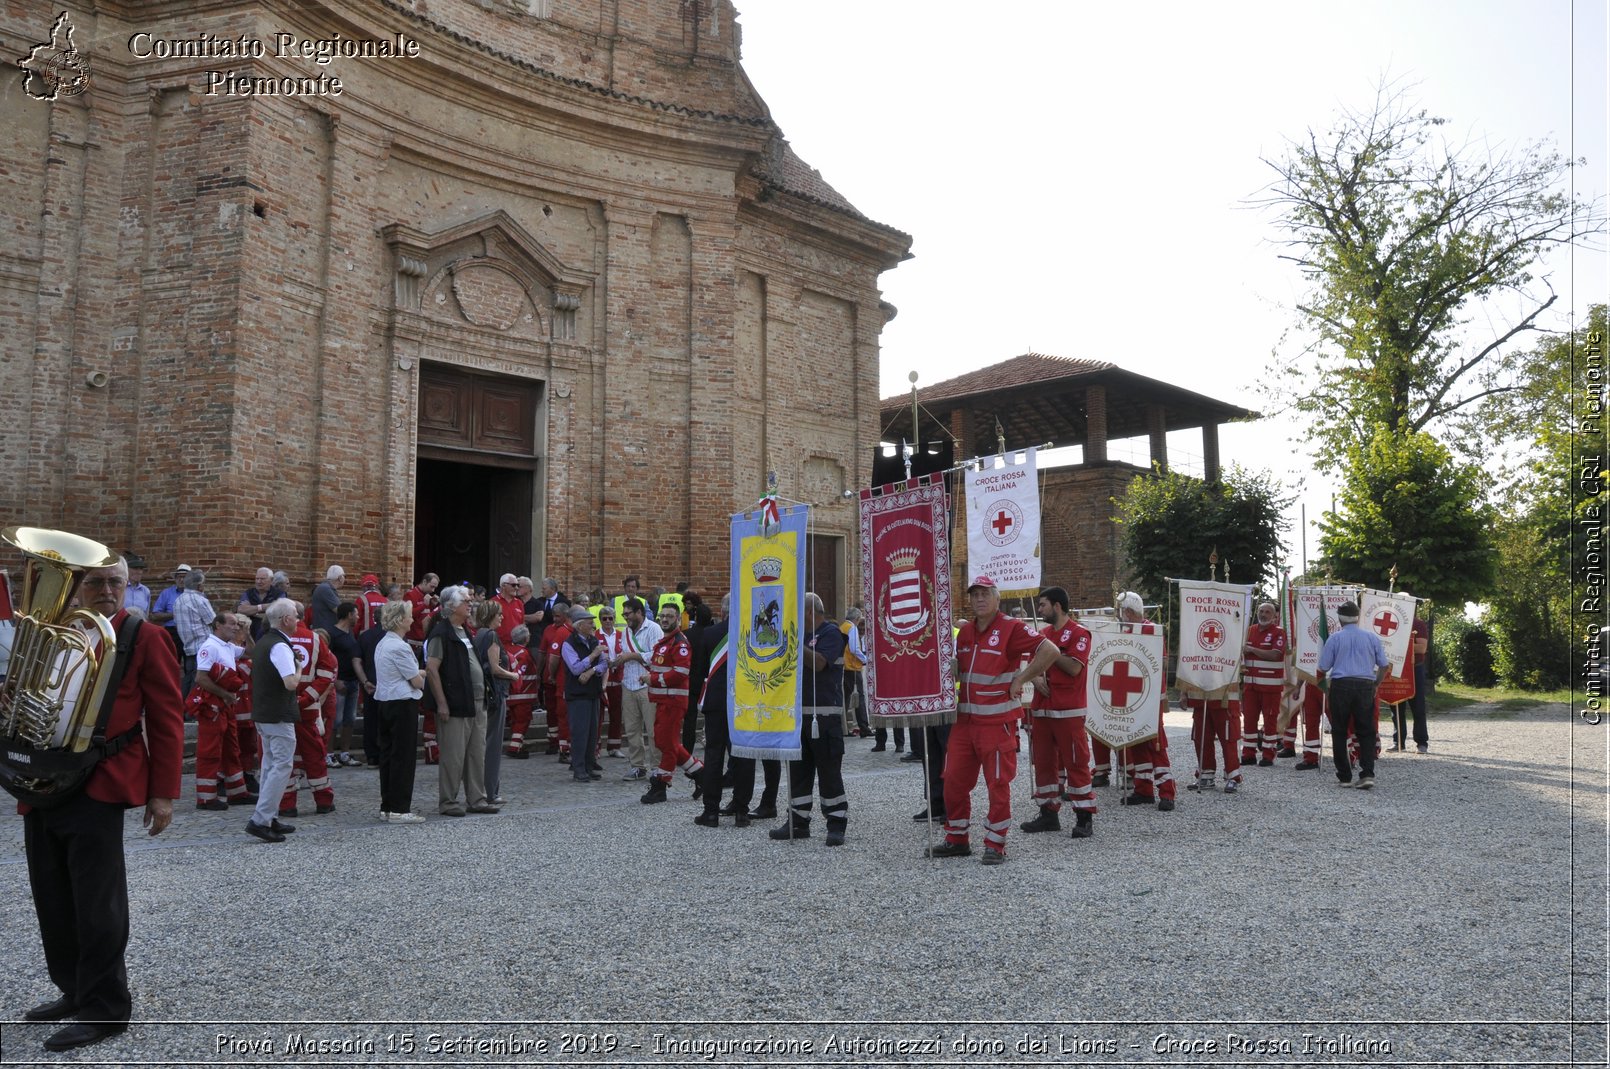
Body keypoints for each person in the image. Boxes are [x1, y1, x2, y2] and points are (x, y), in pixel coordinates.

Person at [19, 556, 183, 1053]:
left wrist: (163, 792)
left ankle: (106, 1007)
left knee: (97, 904)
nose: (107, 590)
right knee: (52, 894)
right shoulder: (54, 632)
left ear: (128, 585)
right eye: (95, 581)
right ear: (77, 586)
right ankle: (74, 989)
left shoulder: (144, 636)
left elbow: (168, 717)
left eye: (116, 581)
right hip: (45, 780)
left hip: (103, 780)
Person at [926, 577, 1059, 865]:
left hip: (997, 723)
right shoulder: (965, 632)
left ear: (997, 599)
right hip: (965, 722)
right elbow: (961, 672)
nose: (979, 600)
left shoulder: (1011, 627)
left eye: (985, 594)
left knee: (997, 784)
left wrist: (1023, 678)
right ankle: (957, 838)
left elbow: (1050, 650)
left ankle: (995, 844)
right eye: (975, 595)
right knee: (953, 782)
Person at [771, 593, 849, 845]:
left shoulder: (831, 633)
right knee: (798, 772)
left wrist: (792, 643)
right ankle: (798, 821)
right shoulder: (802, 635)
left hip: (824, 716)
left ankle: (836, 824)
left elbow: (818, 663)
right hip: (798, 716)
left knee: (829, 772)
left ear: (809, 612)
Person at [1020, 586, 1096, 838]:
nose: (1039, 609)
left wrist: (1050, 654)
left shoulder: (1079, 633)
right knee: (1043, 764)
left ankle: (1084, 816)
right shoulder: (1042, 634)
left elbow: (1075, 667)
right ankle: (1048, 814)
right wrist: (1034, 678)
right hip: (1042, 710)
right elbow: (1032, 664)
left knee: (1076, 762)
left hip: (1068, 710)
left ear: (1057, 606)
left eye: (1043, 605)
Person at [424, 586, 498, 816]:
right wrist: (442, 703)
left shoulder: (466, 631)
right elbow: (432, 669)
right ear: (452, 606)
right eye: (466, 601)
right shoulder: (441, 633)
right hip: (455, 703)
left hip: (476, 701)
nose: (471, 604)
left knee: (477, 752)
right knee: (453, 755)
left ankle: (477, 798)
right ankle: (448, 801)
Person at [1114, 591, 1179, 811]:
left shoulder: (1150, 630)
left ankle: (1167, 791)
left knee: (1155, 742)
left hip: (1149, 697)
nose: (1120, 616)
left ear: (1129, 612)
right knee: (1135, 740)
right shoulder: (1126, 630)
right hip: (1131, 695)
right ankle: (1143, 789)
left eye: (1121, 611)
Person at [247, 599, 303, 843]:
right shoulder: (279, 646)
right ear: (286, 620)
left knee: (270, 766)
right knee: (281, 766)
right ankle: (260, 820)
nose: (298, 620)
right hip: (278, 713)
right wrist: (299, 666)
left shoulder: (264, 642)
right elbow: (290, 682)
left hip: (264, 712)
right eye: (295, 616)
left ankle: (269, 816)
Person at [1317, 600, 1389, 789]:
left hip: (1341, 685)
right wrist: (1376, 684)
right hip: (1365, 684)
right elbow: (1384, 665)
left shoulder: (1334, 638)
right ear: (1357, 617)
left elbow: (1323, 666)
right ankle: (1367, 773)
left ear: (1340, 618)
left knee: (1339, 730)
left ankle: (1344, 775)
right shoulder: (1371, 637)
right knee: (1366, 731)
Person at [641, 602, 704, 803]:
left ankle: (661, 785)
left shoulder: (680, 643)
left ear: (677, 619)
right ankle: (700, 773)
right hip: (663, 699)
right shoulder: (665, 642)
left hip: (673, 701)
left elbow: (681, 672)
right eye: (663, 616)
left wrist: (653, 679)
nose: (665, 619)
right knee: (664, 741)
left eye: (670, 616)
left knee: (666, 744)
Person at [187, 613, 252, 809]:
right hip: (212, 707)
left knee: (232, 749)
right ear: (218, 625)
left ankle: (237, 792)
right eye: (232, 624)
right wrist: (224, 693)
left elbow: (252, 654)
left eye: (237, 624)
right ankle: (206, 798)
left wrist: (247, 633)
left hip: (225, 705)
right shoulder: (210, 647)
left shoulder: (227, 647)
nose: (235, 627)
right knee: (210, 751)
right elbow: (201, 678)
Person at [374, 599, 426, 823]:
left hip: (386, 701)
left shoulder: (383, 643)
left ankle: (387, 806)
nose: (412, 619)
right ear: (400, 620)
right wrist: (423, 674)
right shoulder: (400, 647)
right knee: (403, 757)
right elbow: (416, 682)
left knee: (388, 755)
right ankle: (399, 808)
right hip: (402, 703)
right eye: (409, 616)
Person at [472, 599, 519, 804]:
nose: (502, 617)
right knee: (492, 744)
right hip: (495, 693)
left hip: (487, 693)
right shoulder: (490, 635)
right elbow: (495, 668)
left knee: (485, 742)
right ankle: (490, 790)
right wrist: (514, 675)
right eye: (499, 614)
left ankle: (483, 789)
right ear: (491, 615)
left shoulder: (479, 634)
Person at [560, 605, 610, 783]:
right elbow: (574, 668)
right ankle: (578, 767)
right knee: (580, 732)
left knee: (591, 733)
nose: (593, 627)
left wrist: (591, 671)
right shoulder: (569, 644)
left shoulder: (593, 641)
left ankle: (589, 765)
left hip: (592, 692)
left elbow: (605, 664)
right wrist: (592, 657)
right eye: (590, 623)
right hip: (577, 694)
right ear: (579, 625)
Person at [616, 597, 662, 780]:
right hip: (628, 683)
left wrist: (632, 656)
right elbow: (624, 654)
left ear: (639, 612)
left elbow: (657, 655)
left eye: (628, 614)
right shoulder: (625, 632)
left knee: (652, 730)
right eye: (624, 614)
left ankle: (657, 768)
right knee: (632, 729)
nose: (626, 617)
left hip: (646, 684)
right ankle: (637, 766)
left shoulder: (653, 629)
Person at [1241, 600, 1288, 766]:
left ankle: (1268, 755)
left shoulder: (1279, 632)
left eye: (1267, 612)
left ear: (1275, 616)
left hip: (1270, 686)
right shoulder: (1249, 631)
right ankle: (1248, 754)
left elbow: (1275, 654)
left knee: (1269, 722)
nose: (1263, 614)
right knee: (1249, 721)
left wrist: (1252, 650)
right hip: (1250, 686)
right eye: (1261, 611)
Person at [327, 602, 364, 768]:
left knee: (349, 719)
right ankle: (329, 754)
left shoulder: (350, 633)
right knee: (335, 720)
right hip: (339, 682)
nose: (358, 617)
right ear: (349, 615)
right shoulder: (332, 633)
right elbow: (326, 659)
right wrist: (334, 681)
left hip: (353, 681)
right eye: (356, 614)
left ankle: (345, 753)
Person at [173, 567, 215, 696]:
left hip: (188, 646)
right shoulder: (200, 600)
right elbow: (213, 621)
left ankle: (182, 710)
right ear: (200, 586)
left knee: (189, 678)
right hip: (203, 646)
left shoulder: (178, 600)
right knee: (200, 681)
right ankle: (191, 713)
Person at [841, 606, 871, 738]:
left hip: (844, 666)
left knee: (846, 698)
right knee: (860, 698)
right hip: (853, 667)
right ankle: (864, 727)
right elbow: (854, 648)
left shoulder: (842, 627)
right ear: (857, 619)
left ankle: (843, 727)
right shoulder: (852, 628)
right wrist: (865, 659)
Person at [237, 567, 279, 641]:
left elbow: (278, 612)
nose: (259, 581)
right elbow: (241, 610)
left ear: (271, 580)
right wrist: (263, 607)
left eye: (262, 579)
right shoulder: (249, 593)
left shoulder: (279, 594)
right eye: (257, 578)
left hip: (270, 633)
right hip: (250, 632)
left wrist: (252, 612)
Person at [310, 565, 345, 633]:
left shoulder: (326, 587)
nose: (344, 579)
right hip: (324, 632)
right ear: (340, 578)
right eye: (344, 576)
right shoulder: (326, 589)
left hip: (325, 630)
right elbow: (339, 610)